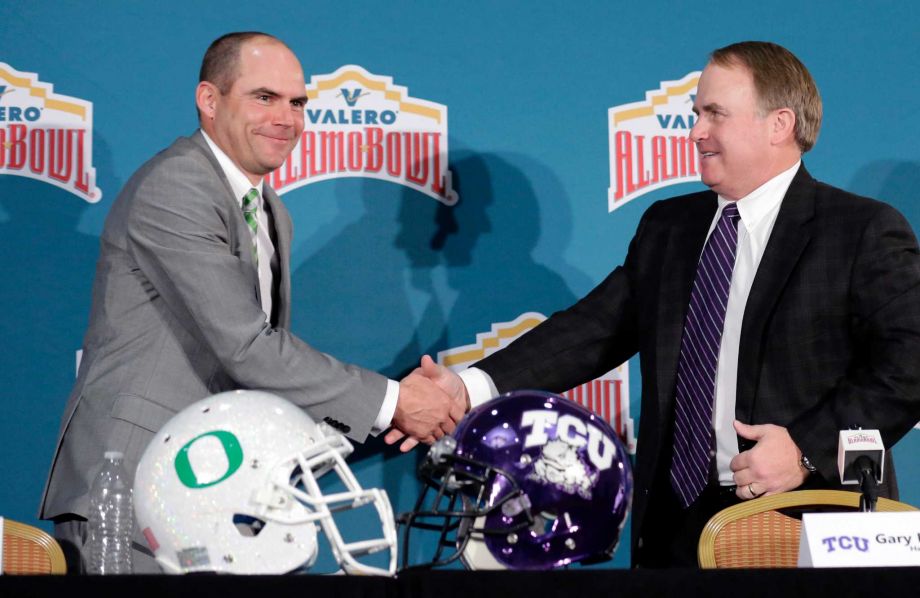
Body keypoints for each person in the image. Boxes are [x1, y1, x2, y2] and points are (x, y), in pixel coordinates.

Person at [392, 41, 920, 567]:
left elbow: (909, 365)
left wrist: (805, 450)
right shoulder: (670, 225)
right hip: (675, 522)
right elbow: (597, 328)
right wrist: (469, 387)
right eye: (696, 114)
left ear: (779, 124)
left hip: (804, 520)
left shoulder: (860, 230)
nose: (695, 132)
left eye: (715, 114)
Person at [39, 31, 463, 573]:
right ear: (209, 101)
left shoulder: (268, 206)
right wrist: (391, 404)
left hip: (206, 487)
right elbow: (246, 347)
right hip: (132, 490)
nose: (286, 119)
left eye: (297, 103)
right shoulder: (179, 185)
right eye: (264, 98)